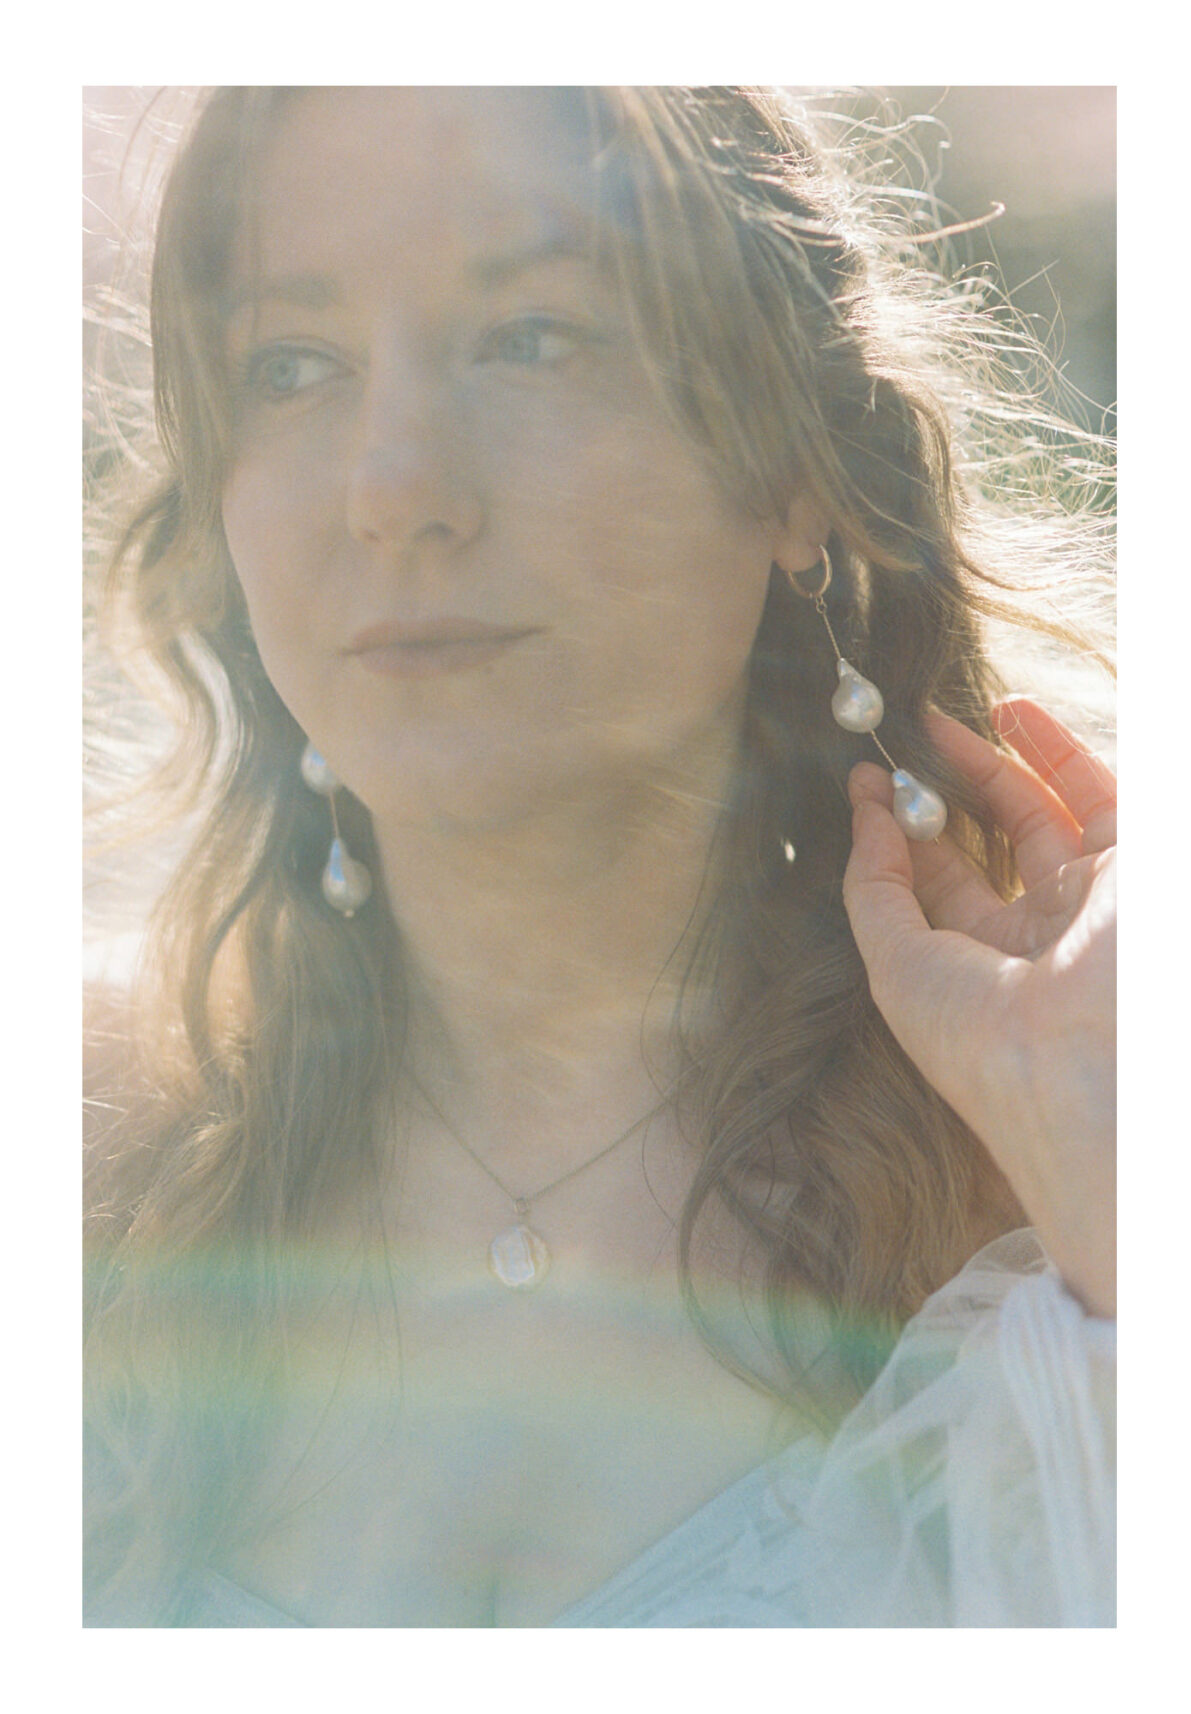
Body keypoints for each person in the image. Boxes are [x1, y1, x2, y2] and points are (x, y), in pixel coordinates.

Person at [83, 85, 1116, 1628]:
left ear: (791, 473)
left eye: (530, 336)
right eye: (290, 365)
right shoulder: (90, 1170)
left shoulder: (1055, 1182)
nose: (395, 490)